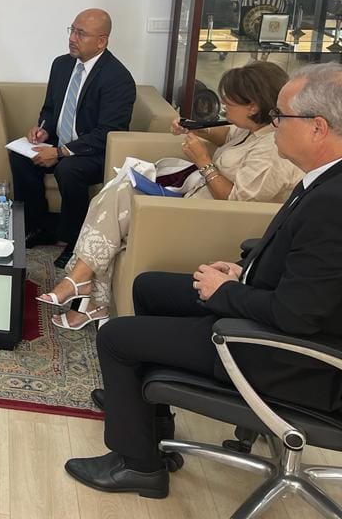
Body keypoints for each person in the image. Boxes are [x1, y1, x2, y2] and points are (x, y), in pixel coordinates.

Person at [64, 63, 342, 500]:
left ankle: (137, 465)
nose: (274, 123)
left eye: (281, 116)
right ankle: (148, 421)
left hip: (284, 355)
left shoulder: (332, 203)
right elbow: (306, 274)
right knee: (150, 286)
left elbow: (297, 316)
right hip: (272, 310)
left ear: (317, 127)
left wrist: (228, 292)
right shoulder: (323, 180)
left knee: (116, 337)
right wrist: (244, 271)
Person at [38, 62, 303, 330]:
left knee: (116, 210)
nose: (223, 107)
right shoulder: (252, 127)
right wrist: (196, 128)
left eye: (229, 102)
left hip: (206, 218)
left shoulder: (271, 150)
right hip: (191, 201)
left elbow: (236, 201)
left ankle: (82, 286)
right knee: (116, 192)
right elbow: (227, 134)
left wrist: (203, 160)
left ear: (253, 106)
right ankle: (83, 286)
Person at [10, 9, 136, 267]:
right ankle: (38, 226)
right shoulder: (61, 65)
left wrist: (59, 152)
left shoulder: (117, 78)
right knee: (20, 156)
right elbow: (50, 109)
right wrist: (43, 130)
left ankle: (74, 241)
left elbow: (108, 132)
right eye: (72, 30)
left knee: (68, 169)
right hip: (61, 143)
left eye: (81, 34)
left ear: (101, 41)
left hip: (95, 153)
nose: (72, 38)